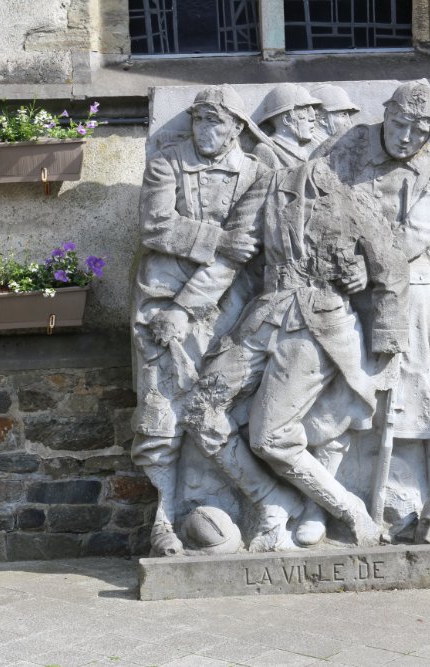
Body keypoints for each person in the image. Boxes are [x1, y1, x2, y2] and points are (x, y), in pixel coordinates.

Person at [167, 148, 410, 549]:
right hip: (263, 316)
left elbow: (392, 269)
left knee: (270, 437)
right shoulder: (271, 185)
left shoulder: (354, 198)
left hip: (318, 325)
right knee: (199, 410)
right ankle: (272, 498)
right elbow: (232, 256)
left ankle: (349, 509)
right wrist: (182, 309)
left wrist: (388, 343)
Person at [131, 84, 302, 556]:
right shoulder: (167, 160)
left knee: (218, 408)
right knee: (161, 406)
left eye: (217, 121)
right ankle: (165, 514)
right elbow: (155, 226)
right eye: (199, 120)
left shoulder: (257, 171)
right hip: (161, 296)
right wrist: (216, 239)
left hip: (230, 301)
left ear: (236, 129)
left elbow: (249, 243)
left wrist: (192, 302)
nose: (206, 131)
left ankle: (261, 505)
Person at [331, 80, 430, 540]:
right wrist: (344, 262)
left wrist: (369, 268)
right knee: (350, 394)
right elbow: (323, 202)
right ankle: (341, 500)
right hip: (347, 282)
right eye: (400, 124)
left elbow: (416, 234)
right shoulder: (350, 146)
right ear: (385, 114)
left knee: (423, 394)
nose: (407, 138)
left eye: (420, 131)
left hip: (410, 285)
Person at [252, 83, 323, 169]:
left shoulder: (314, 146)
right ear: (287, 119)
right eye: (305, 110)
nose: (313, 117)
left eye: (311, 109)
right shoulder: (265, 150)